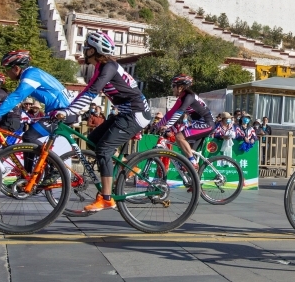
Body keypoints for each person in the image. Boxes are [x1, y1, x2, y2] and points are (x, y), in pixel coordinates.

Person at [52, 31, 152, 212]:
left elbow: (91, 93)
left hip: (135, 114)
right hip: (126, 112)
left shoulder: (108, 67)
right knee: (94, 141)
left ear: (93, 51)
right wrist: (68, 109)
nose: (84, 50)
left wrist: (69, 112)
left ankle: (106, 199)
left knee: (104, 149)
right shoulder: (101, 67)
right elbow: (86, 91)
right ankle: (127, 167)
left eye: (86, 47)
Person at [152, 74, 214, 171]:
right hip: (198, 123)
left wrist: (167, 126)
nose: (172, 88)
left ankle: (193, 164)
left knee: (179, 137)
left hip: (207, 123)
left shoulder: (189, 97)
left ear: (180, 87)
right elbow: (169, 114)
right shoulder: (181, 98)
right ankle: (192, 176)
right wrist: (156, 126)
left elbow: (179, 112)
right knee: (187, 149)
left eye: (173, 86)